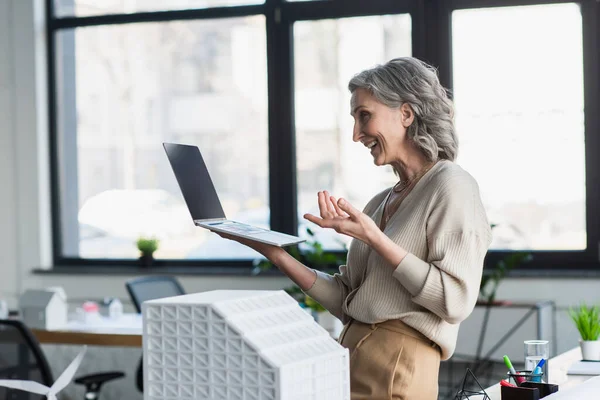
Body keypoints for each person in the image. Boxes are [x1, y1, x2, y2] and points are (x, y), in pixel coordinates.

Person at [214, 57, 492, 400]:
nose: (357, 134)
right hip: (350, 358)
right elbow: (348, 301)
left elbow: (454, 302)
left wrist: (374, 237)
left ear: (406, 113)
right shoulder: (380, 201)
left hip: (399, 367)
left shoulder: (451, 185)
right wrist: (275, 254)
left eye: (365, 116)